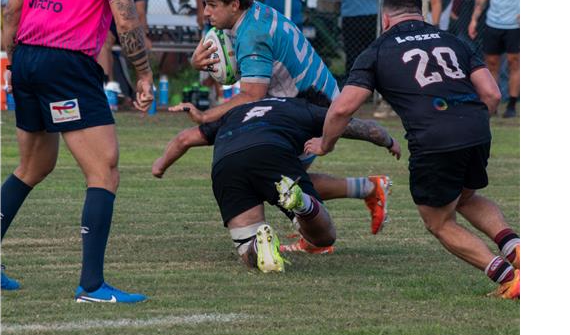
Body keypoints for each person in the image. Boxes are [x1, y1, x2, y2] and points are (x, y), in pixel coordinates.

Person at [307, 0, 521, 299]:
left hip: (434, 139)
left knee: (439, 222)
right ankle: (517, 249)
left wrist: (325, 144)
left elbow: (342, 108)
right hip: (475, 128)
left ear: (385, 19)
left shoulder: (377, 50)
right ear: (421, 13)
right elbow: (492, 93)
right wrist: (469, 124)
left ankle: (508, 278)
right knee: (465, 197)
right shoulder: (453, 40)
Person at [0, 0, 153, 302]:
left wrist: (12, 62)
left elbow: (12, 11)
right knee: (104, 169)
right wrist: (143, 74)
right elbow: (126, 21)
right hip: (67, 65)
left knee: (33, 167)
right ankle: (91, 285)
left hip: (27, 59)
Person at [185, 0, 393, 251]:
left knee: (277, 179)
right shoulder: (255, 13)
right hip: (314, 96)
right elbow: (252, 70)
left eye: (212, 5)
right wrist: (198, 63)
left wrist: (205, 116)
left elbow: (251, 94)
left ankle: (336, 218)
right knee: (279, 178)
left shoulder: (252, 33)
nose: (206, 12)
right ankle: (368, 189)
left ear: (234, 4)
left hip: (308, 103)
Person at [152, 92, 400, 270]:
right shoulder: (307, 109)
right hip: (271, 152)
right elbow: (356, 125)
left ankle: (260, 244)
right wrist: (389, 141)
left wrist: (160, 166)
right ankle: (303, 204)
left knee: (248, 252)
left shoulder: (238, 112)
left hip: (225, 163)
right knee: (324, 238)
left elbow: (184, 139)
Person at [468, 0, 520, 118]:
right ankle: (494, 102)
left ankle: (512, 104)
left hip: (516, 24)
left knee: (515, 63)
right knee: (491, 63)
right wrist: (474, 19)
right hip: (493, 22)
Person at [94, 0, 150, 89]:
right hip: (109, 27)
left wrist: (143, 34)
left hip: (130, 26)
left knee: (140, 45)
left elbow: (140, 12)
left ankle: (143, 90)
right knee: (103, 43)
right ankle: (109, 89)